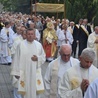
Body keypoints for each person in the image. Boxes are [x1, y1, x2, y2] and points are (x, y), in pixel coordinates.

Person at [10, 28, 46, 98]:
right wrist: (16, 72)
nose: (30, 36)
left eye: (32, 34)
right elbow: (16, 59)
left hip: (35, 72)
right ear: (26, 35)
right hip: (23, 72)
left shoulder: (38, 45)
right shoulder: (20, 45)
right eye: (28, 34)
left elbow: (43, 56)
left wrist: (38, 58)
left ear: (34, 35)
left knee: (35, 91)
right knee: (23, 91)